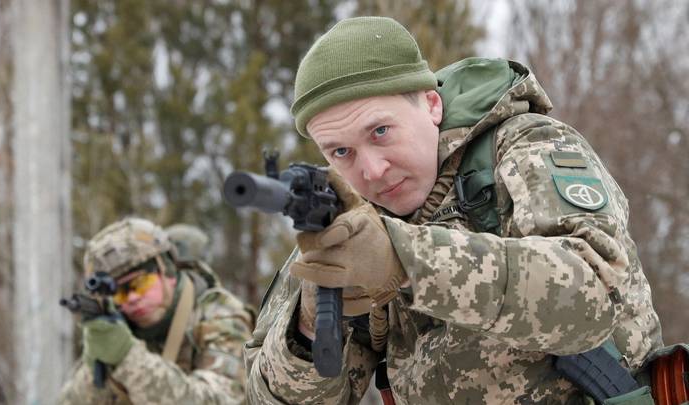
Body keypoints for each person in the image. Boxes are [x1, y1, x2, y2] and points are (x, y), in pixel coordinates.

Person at [244, 16, 663, 404]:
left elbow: (593, 298)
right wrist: (311, 325)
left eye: (381, 131)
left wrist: (404, 261)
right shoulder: (350, 224)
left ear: (431, 104)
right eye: (341, 152)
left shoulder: (525, 147)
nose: (371, 170)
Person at [58, 218, 254, 404]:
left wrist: (128, 358)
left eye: (140, 283)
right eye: (119, 293)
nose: (132, 298)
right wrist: (94, 368)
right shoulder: (121, 326)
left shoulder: (219, 315)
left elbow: (224, 399)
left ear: (168, 271)